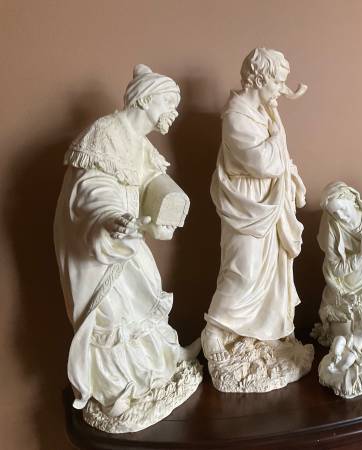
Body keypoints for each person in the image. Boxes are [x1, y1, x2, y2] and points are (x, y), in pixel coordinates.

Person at [54, 64, 201, 430]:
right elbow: (90, 190)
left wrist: (168, 202)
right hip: (101, 242)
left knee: (143, 295)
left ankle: (165, 360)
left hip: (128, 235)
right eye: (169, 103)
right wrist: (110, 219)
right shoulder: (105, 133)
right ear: (146, 100)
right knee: (111, 315)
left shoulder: (138, 142)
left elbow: (151, 180)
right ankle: (116, 392)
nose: (174, 112)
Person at [203, 48, 307, 361]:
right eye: (277, 82)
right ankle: (214, 331)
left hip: (269, 202)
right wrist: (278, 136)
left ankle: (264, 332)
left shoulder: (264, 111)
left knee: (271, 272)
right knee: (243, 270)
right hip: (247, 206)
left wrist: (293, 179)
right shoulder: (236, 116)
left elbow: (281, 159)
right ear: (259, 79)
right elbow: (263, 162)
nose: (281, 89)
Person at [312, 181, 362, 345]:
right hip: (341, 289)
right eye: (334, 213)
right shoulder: (332, 227)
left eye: (342, 209)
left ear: (352, 199)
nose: (340, 216)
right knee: (345, 337)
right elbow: (335, 269)